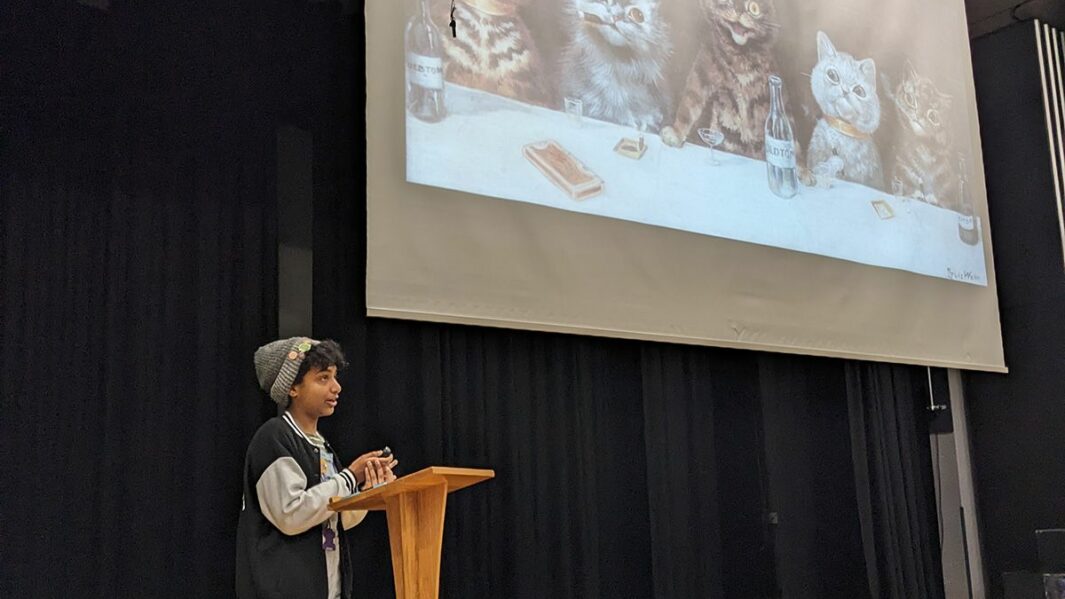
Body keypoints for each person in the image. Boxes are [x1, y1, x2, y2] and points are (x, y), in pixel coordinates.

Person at [236, 337, 398, 599]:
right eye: (323, 378)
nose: (336, 387)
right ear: (293, 388)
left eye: (335, 377)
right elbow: (291, 514)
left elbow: (335, 517)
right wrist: (349, 477)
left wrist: (370, 491)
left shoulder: (322, 446)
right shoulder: (274, 437)